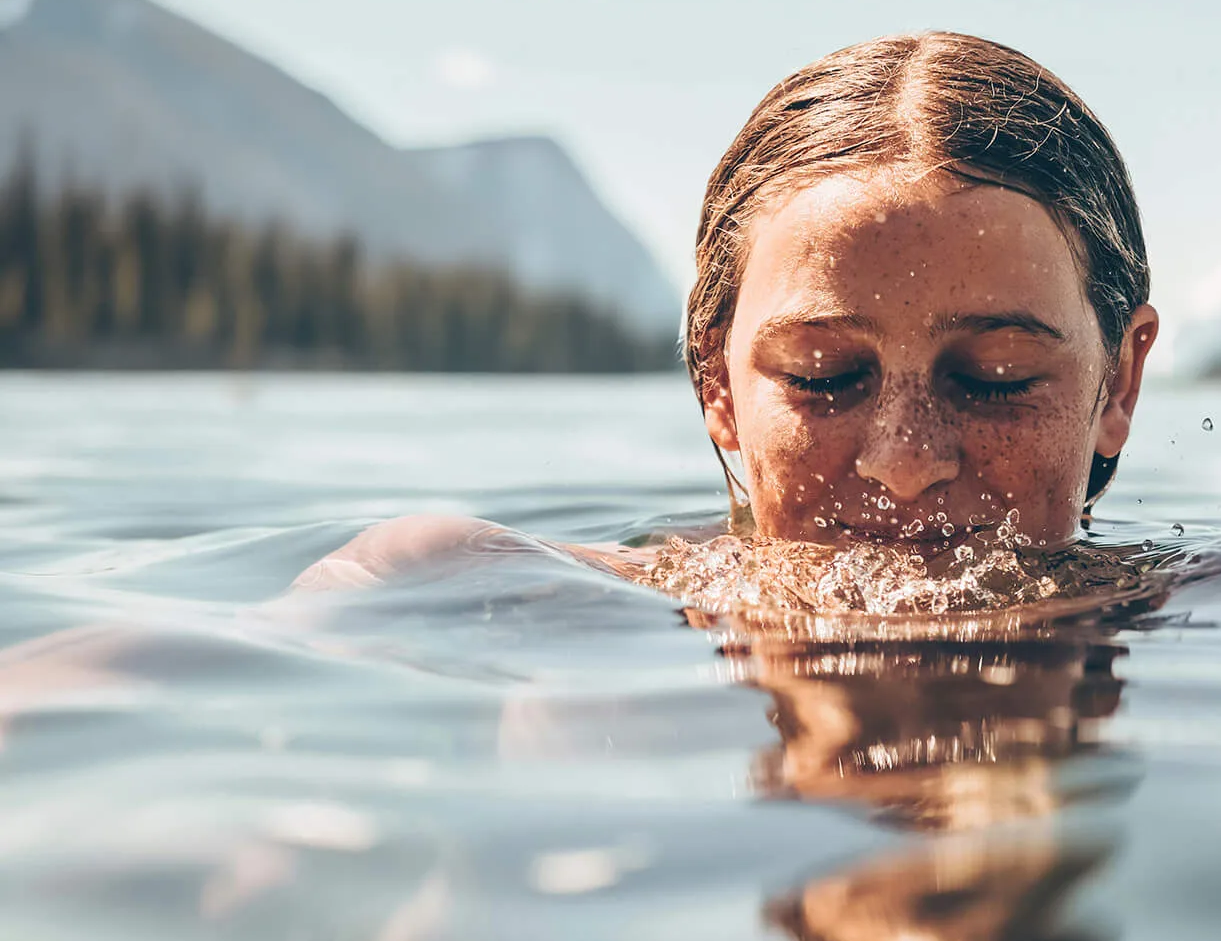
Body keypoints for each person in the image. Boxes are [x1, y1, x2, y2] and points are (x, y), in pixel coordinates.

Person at [297, 31, 1160, 595]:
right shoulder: (474, 586)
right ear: (717, 385)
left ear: (1117, 385)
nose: (906, 461)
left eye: (994, 378)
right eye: (825, 377)